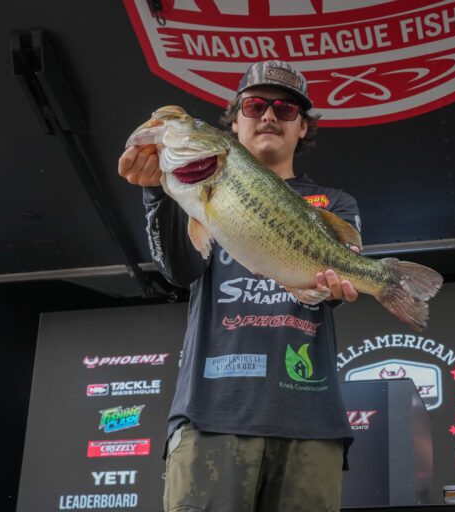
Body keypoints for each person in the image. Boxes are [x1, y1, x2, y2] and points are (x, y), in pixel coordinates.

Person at [118, 60, 360, 512]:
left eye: (286, 110)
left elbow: (335, 286)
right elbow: (179, 269)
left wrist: (335, 287)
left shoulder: (335, 203)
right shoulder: (198, 183)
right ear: (234, 121)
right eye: (255, 105)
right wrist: (156, 193)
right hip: (212, 412)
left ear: (304, 127)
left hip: (310, 417)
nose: (269, 116)